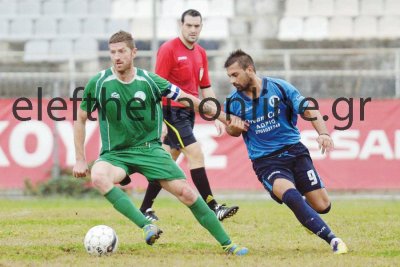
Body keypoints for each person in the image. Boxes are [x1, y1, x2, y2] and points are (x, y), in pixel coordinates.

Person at [72, 31, 248, 255]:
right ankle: (146, 225)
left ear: (134, 52)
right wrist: (80, 159)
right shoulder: (98, 83)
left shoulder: (150, 81)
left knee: (187, 194)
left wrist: (226, 118)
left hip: (150, 150)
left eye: (122, 51)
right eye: (113, 52)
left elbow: (193, 101)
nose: (117, 57)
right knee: (98, 176)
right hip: (115, 154)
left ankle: (229, 245)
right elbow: (80, 119)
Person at [223, 49, 348, 254]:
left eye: (235, 75)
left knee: (323, 206)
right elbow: (231, 130)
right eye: (229, 76)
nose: (232, 81)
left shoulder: (279, 87)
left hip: (295, 152)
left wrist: (324, 133)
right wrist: (233, 127)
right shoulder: (233, 101)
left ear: (250, 70)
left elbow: (308, 108)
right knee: (291, 195)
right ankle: (333, 240)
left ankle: (306, 212)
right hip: (266, 162)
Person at [139, 9, 238, 222]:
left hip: (188, 114)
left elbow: (205, 87)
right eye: (189, 25)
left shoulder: (201, 53)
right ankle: (214, 207)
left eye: (197, 26)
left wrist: (216, 116)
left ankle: (145, 208)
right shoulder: (168, 49)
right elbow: (156, 87)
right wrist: (159, 121)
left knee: (165, 162)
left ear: (201, 27)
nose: (193, 30)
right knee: (195, 153)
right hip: (171, 112)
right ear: (181, 25)